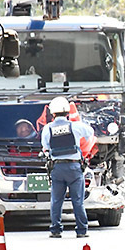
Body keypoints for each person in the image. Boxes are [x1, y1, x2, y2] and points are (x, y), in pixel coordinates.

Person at [41, 96, 94, 238]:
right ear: (67, 112)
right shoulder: (75, 126)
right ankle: (81, 230)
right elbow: (90, 133)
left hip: (57, 169)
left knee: (56, 201)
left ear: (52, 113)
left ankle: (56, 229)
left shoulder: (47, 129)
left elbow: (45, 147)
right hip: (74, 168)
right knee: (78, 201)